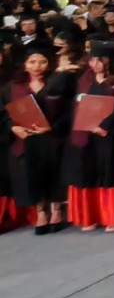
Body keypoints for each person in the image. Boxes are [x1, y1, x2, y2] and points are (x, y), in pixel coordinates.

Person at [63, 41, 114, 231]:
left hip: (110, 133)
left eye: (100, 60)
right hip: (87, 133)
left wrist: (105, 126)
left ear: (110, 60)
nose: (96, 64)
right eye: (92, 60)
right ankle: (91, 216)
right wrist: (88, 124)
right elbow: (77, 105)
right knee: (89, 172)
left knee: (110, 173)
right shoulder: (84, 79)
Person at [8, 44, 68, 234]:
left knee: (54, 172)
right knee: (32, 174)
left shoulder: (58, 83)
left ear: (49, 64)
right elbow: (4, 113)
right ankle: (41, 212)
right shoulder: (13, 87)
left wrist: (52, 127)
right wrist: (13, 127)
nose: (37, 66)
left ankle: (56, 210)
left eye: (42, 61)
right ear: (25, 64)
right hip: (27, 139)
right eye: (32, 62)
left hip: (52, 137)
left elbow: (70, 111)